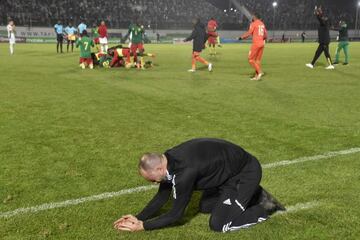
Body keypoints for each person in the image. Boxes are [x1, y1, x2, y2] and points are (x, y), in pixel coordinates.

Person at [113, 138, 285, 233]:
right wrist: (139, 217)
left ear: (159, 167)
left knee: (219, 225)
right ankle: (250, 196)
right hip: (227, 174)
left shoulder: (184, 173)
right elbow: (162, 195)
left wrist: (143, 226)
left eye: (152, 179)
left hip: (245, 174)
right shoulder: (168, 159)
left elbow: (175, 214)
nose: (154, 183)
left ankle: (265, 206)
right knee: (204, 206)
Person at [239, 12, 267, 81]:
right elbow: (265, 34)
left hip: (256, 43)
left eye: (253, 16)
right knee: (257, 60)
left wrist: (241, 37)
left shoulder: (253, 24)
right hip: (262, 43)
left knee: (250, 59)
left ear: (255, 17)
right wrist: (262, 39)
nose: (252, 18)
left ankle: (260, 72)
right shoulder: (262, 24)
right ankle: (256, 76)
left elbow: (249, 33)